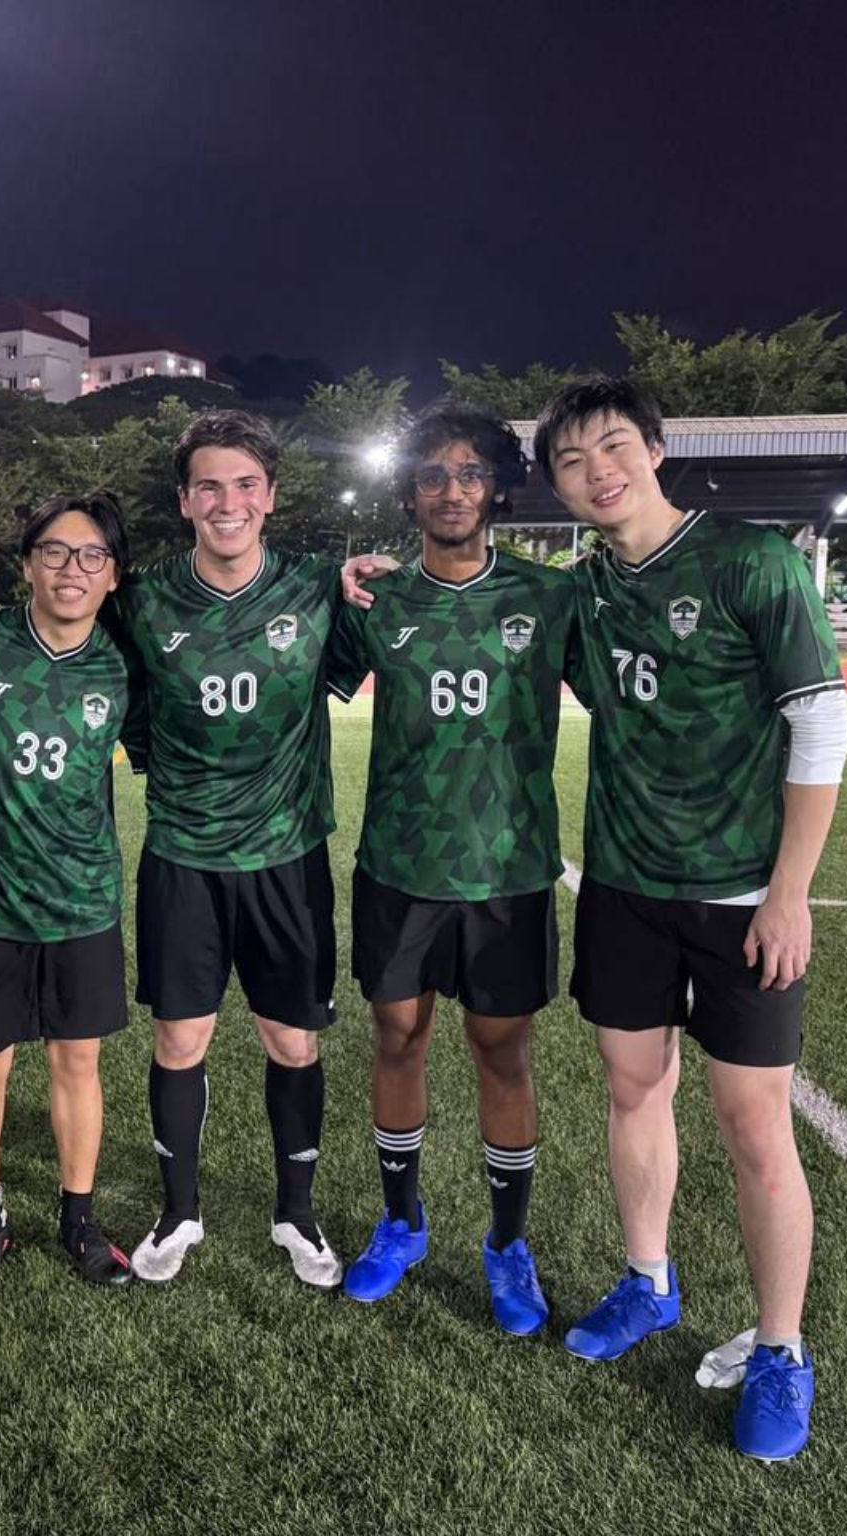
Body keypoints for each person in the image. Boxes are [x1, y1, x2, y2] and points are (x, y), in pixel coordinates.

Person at [537, 375, 847, 1462]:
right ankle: (648, 1281)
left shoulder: (749, 562)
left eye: (613, 447)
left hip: (742, 897)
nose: (597, 472)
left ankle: (780, 1348)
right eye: (570, 461)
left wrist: (789, 891)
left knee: (754, 1125)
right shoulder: (582, 592)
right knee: (632, 1089)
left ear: (655, 450)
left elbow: (821, 723)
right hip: (624, 888)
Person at [330, 399, 573, 1335]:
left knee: (501, 1049)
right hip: (400, 864)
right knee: (397, 1038)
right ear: (411, 494)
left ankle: (508, 1244)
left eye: (471, 472)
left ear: (498, 488)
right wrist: (334, 572)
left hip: (508, 870)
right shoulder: (378, 600)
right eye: (432, 475)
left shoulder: (549, 598)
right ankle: (401, 1223)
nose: (452, 489)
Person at [112, 408, 351, 1290]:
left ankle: (298, 1215)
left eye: (245, 485)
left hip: (288, 857)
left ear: (271, 496)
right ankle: (179, 1212)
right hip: (184, 856)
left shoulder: (318, 587)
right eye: (208, 486)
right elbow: (120, 698)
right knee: (181, 1040)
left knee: (293, 1042)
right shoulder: (142, 597)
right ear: (184, 500)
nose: (228, 502)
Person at [0, 492, 137, 1291]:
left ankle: (80, 1221)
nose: (71, 568)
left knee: (77, 1060)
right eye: (54, 551)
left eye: (91, 555)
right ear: (26, 565)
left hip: (82, 897)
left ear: (112, 575)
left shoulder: (126, 662)